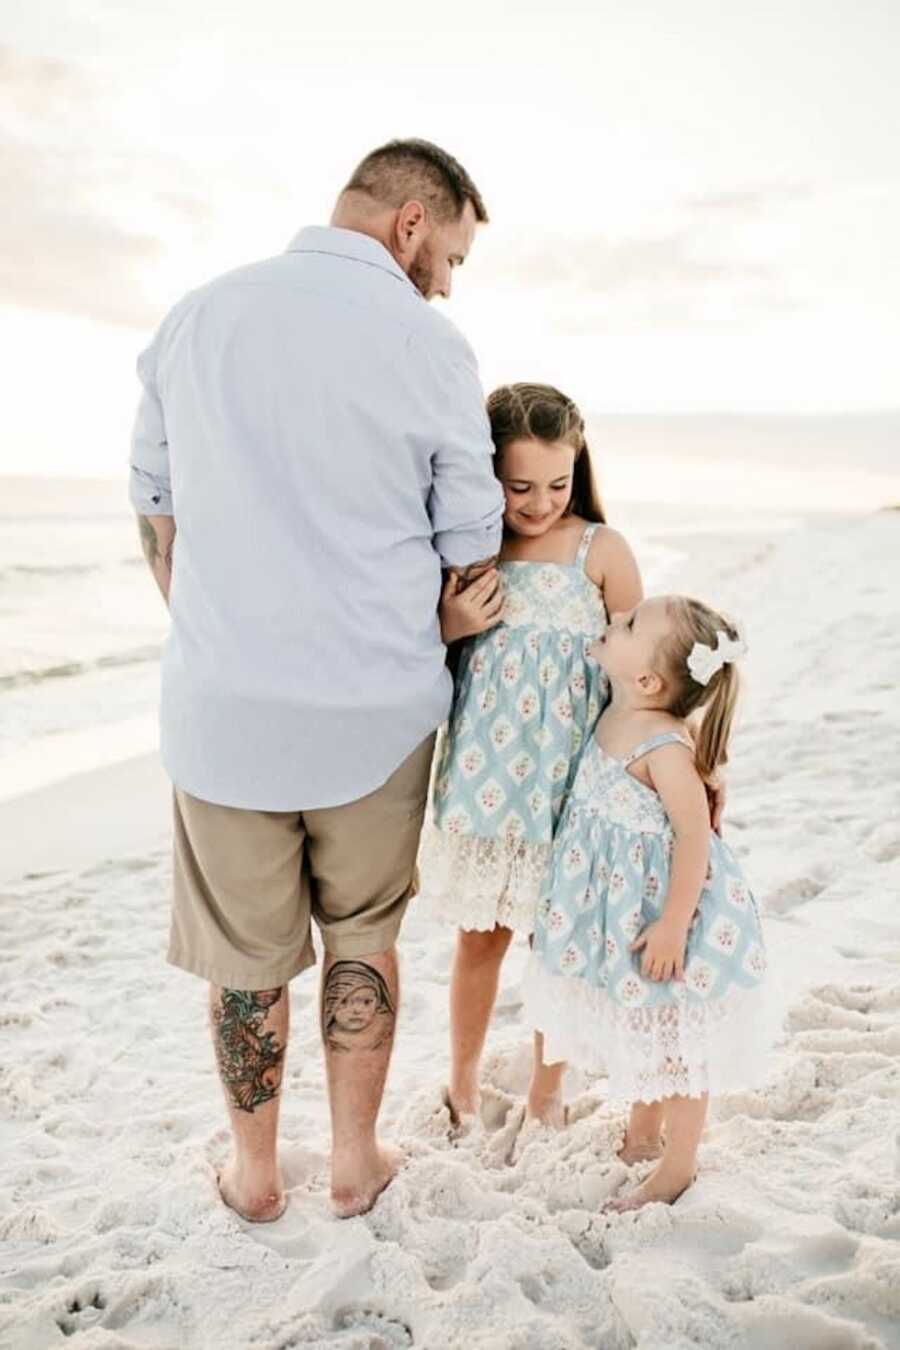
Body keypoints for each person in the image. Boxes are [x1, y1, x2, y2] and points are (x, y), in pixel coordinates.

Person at [129, 139, 505, 1222]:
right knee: (364, 937)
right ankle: (351, 1162)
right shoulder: (427, 343)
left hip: (223, 716)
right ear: (412, 226)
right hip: (376, 713)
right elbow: (470, 534)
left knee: (246, 957)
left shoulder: (197, 316)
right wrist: (428, 621)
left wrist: (217, 638)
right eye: (453, 255)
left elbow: (158, 504)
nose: (447, 278)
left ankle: (253, 1175)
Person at [426, 382, 643, 1131]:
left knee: (557, 945)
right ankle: (460, 1079)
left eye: (558, 482)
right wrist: (451, 624)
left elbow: (639, 673)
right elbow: (416, 650)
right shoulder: (473, 550)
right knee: (479, 939)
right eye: (519, 485)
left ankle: (546, 1089)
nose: (540, 502)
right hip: (486, 781)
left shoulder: (601, 551)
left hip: (570, 785)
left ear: (579, 469)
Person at [523, 595, 768, 1210]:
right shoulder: (615, 708)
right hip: (621, 907)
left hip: (670, 914)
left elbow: (695, 838)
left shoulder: (663, 745)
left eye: (630, 625)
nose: (616, 620)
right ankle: (642, 1137)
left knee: (678, 1040)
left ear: (649, 680)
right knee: (648, 1024)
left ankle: (677, 1165)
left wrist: (674, 924)